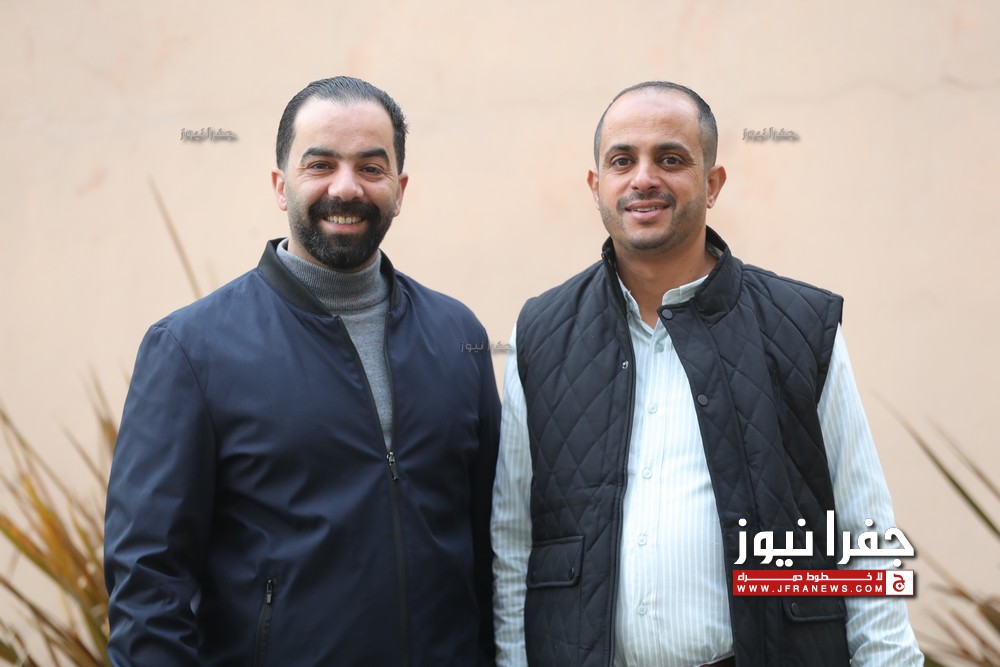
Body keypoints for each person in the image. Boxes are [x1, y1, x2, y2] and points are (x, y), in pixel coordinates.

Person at [491, 81, 922, 666]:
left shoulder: (800, 326)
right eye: (622, 160)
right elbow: (514, 541)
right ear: (596, 186)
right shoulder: (541, 333)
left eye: (671, 159)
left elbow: (862, 529)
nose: (644, 178)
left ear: (713, 183)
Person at [104, 76, 500, 666]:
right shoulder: (191, 349)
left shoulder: (458, 335)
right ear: (279, 184)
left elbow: (493, 544)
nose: (346, 187)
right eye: (320, 164)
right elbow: (147, 582)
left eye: (371, 167)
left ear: (399, 189)